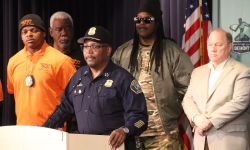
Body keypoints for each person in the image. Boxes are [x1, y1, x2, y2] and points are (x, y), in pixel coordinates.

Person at [43, 26, 148, 149]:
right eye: (86, 47)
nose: (89, 51)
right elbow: (63, 109)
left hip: (113, 146)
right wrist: (44, 130)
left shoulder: (123, 79)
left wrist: (125, 130)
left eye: (95, 46)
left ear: (108, 50)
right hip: (85, 145)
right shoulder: (78, 77)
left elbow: (141, 118)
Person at [112, 0, 193, 149]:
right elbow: (112, 89)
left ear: (157, 23)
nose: (141, 24)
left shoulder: (172, 52)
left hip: (164, 136)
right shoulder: (123, 52)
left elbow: (190, 92)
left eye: (147, 20)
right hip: (130, 133)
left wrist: (177, 123)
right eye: (138, 20)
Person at [182, 28, 250, 150]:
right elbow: (187, 99)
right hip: (201, 139)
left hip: (229, 140)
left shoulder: (242, 71)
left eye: (218, 45)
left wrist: (210, 121)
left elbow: (240, 101)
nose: (213, 49)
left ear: (230, 47)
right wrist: (197, 118)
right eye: (210, 45)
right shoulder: (197, 72)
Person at [7, 14, 76, 126]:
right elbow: (13, 91)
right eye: (25, 32)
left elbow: (75, 99)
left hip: (53, 130)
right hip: (22, 129)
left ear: (44, 33)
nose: (29, 34)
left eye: (34, 31)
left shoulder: (62, 61)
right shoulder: (13, 61)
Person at [49, 11, 86, 132]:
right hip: (51, 118)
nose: (64, 33)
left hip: (77, 121)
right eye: (59, 29)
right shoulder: (45, 56)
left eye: (68, 28)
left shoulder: (85, 55)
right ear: (51, 32)